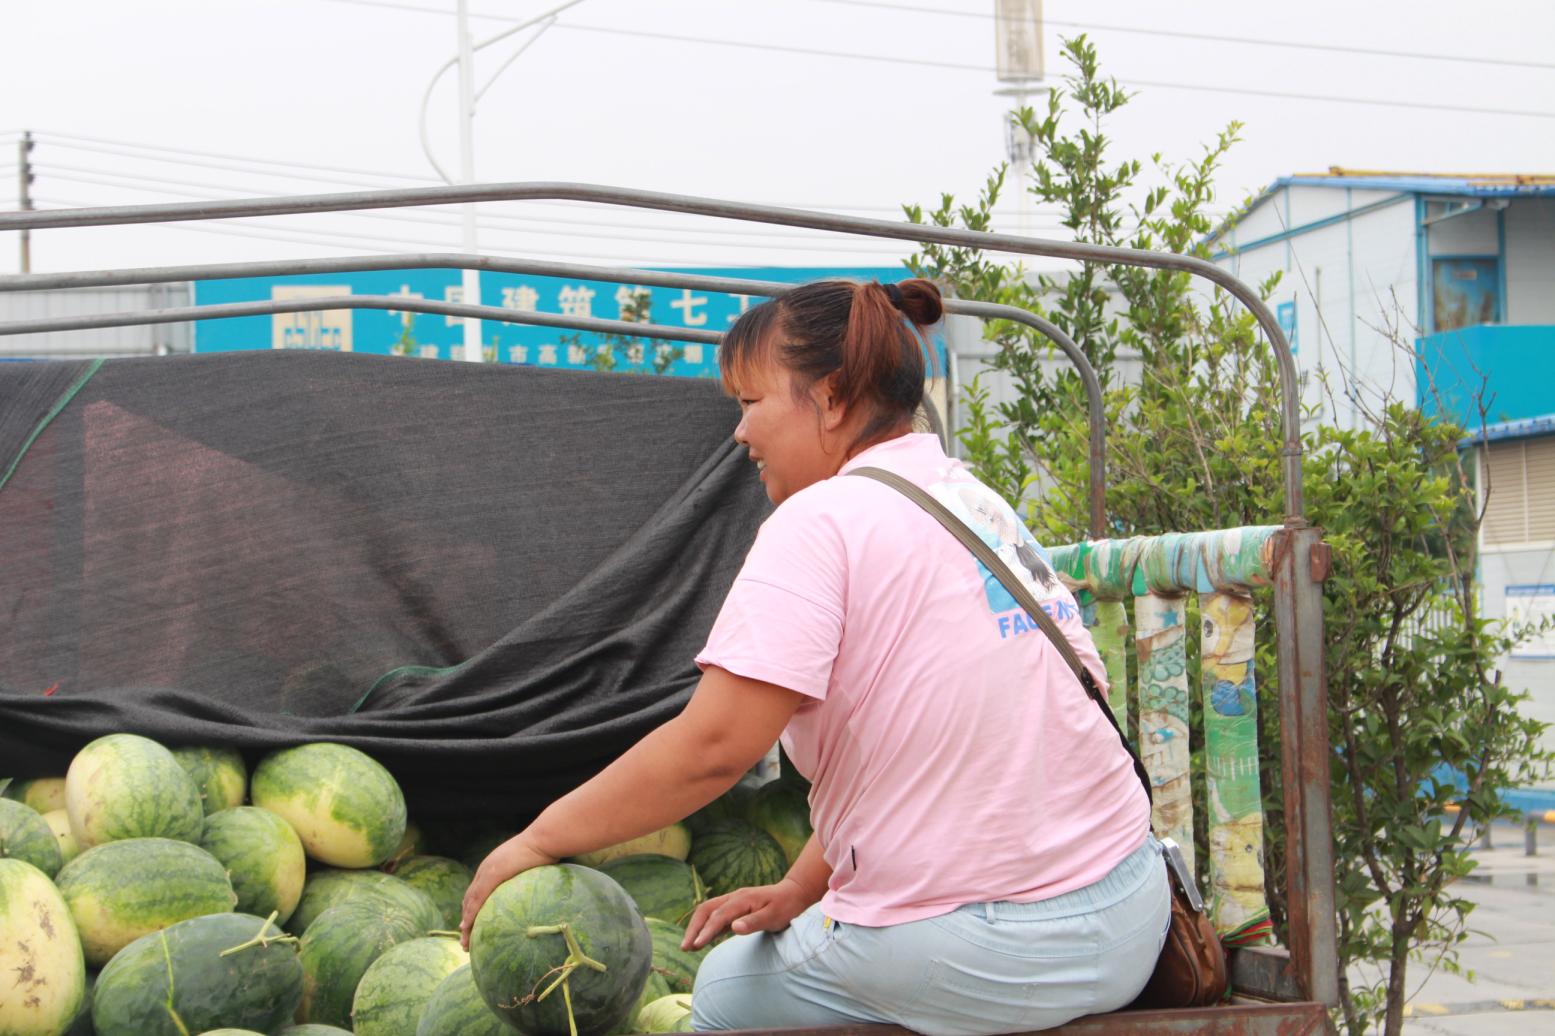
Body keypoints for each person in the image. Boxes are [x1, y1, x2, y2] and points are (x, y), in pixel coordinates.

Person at [460, 278, 1168, 1035]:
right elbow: (929, 749)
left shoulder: (818, 522)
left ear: (829, 398)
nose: (740, 433)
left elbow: (713, 748)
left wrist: (536, 840)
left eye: (749, 402)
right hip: (1131, 910)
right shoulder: (971, 499)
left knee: (724, 990)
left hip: (984, 952)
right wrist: (801, 888)